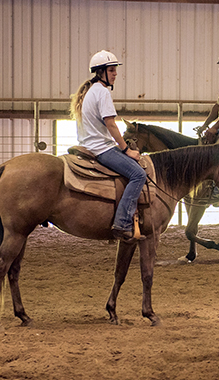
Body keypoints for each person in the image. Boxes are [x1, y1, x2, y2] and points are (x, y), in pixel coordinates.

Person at [69, 50, 146, 242]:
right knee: (138, 174)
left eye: (115, 70)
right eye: (111, 70)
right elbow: (111, 124)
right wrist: (126, 149)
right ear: (101, 72)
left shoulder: (90, 91)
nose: (115, 74)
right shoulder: (102, 92)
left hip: (90, 144)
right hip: (102, 148)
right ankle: (122, 222)